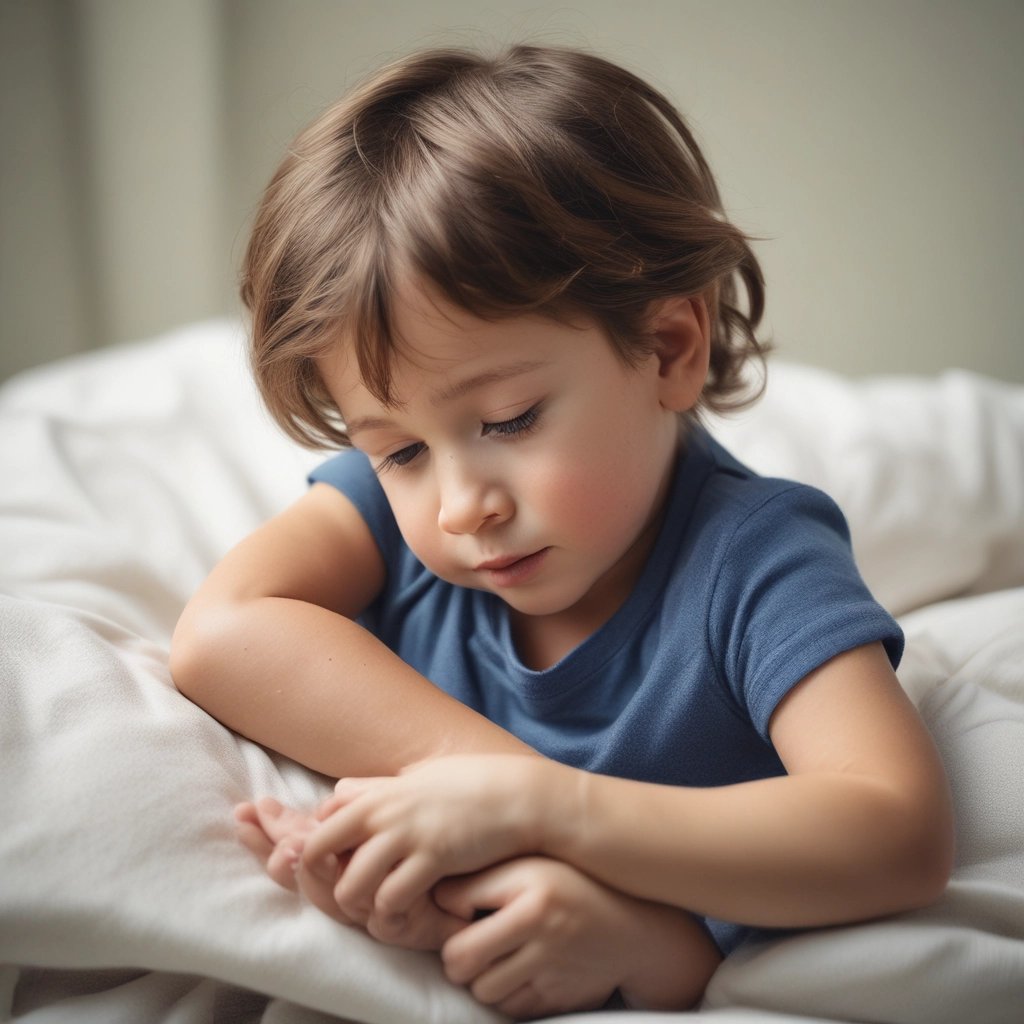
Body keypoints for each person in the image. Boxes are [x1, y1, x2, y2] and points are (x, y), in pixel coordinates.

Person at [170, 44, 954, 1019]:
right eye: (400, 451)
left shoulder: (756, 554)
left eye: (507, 421)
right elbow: (222, 630)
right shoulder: (386, 511)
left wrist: (543, 813)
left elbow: (896, 832)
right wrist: (483, 820)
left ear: (668, 348)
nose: (461, 504)